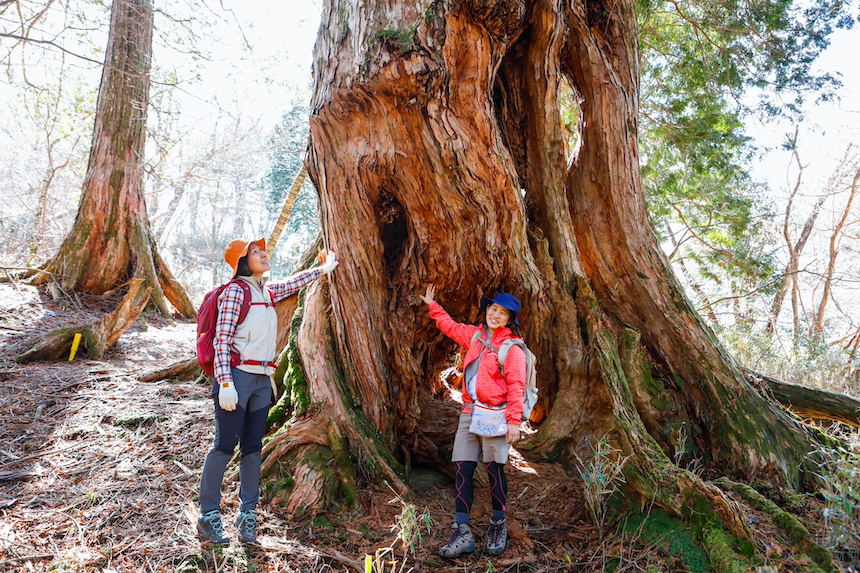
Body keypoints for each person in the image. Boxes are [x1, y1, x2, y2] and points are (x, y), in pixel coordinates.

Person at [197, 238, 339, 545]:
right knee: (224, 446)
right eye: (256, 252)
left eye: (263, 251)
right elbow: (222, 340)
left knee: (252, 448)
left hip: (263, 380)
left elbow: (293, 282)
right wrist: (225, 383)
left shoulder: (265, 291)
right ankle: (208, 515)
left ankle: (247, 514)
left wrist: (323, 269)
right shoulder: (236, 291)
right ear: (242, 262)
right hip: (237, 377)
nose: (263, 255)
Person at [419, 284, 526, 558]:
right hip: (469, 413)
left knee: (494, 470)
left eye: (502, 313)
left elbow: (517, 385)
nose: (495, 315)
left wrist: (514, 421)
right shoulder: (476, 335)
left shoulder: (512, 348)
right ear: (487, 310)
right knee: (463, 469)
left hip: (496, 415)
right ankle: (462, 531)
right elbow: (450, 327)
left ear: (509, 320)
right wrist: (433, 305)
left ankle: (498, 524)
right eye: (493, 309)